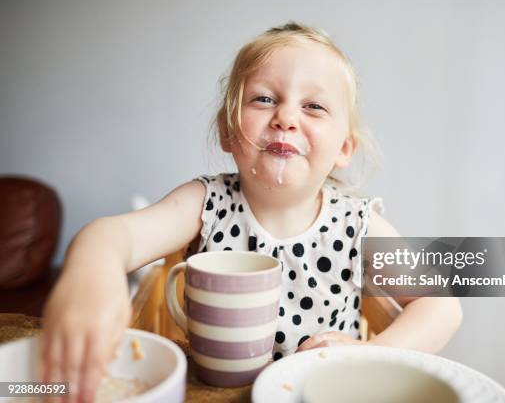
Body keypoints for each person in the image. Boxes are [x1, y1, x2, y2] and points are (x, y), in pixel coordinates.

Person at [41, 22, 463, 402]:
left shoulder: (358, 225)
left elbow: (440, 305)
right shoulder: (204, 204)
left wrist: (370, 354)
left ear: (344, 149)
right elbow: (115, 237)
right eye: (264, 99)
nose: (285, 118)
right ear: (228, 130)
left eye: (314, 107)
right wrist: (90, 275)